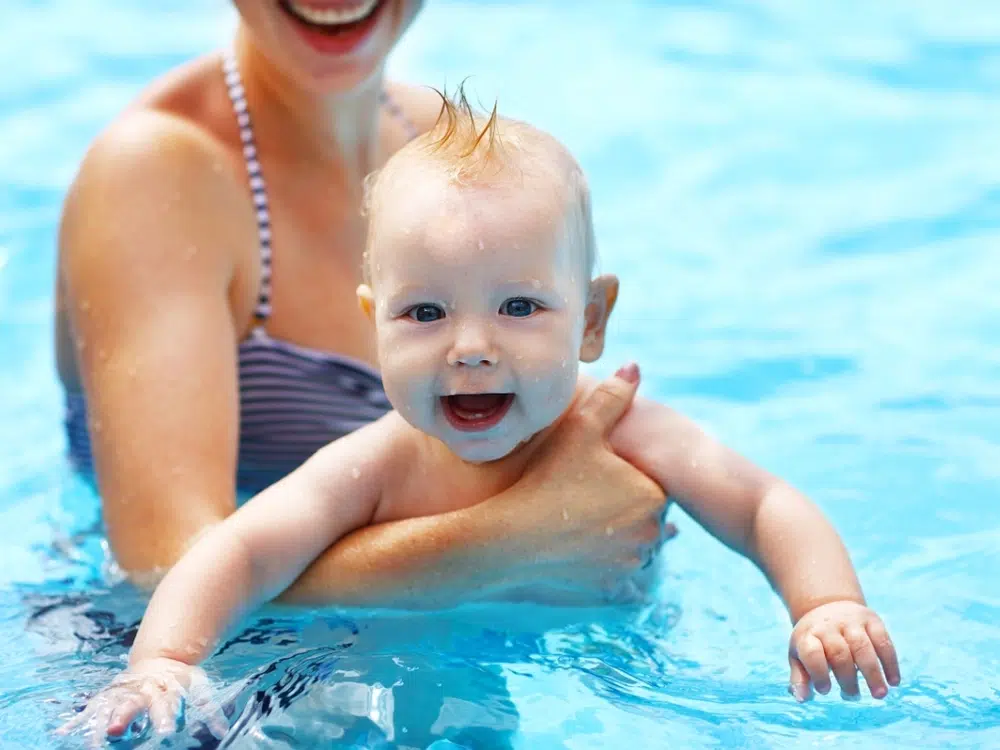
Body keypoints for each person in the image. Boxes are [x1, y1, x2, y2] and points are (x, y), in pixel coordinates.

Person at [60, 98, 900, 743]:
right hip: (409, 668)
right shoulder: (379, 462)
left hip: (612, 679)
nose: (470, 348)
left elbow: (762, 505)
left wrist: (824, 604)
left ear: (593, 321)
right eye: (423, 313)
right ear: (372, 321)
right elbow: (235, 551)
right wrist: (163, 663)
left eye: (520, 306)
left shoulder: (627, 432)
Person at [54, 0, 671, 603]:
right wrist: (520, 536)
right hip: (190, 666)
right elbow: (166, 571)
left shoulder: (449, 153)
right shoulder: (157, 173)